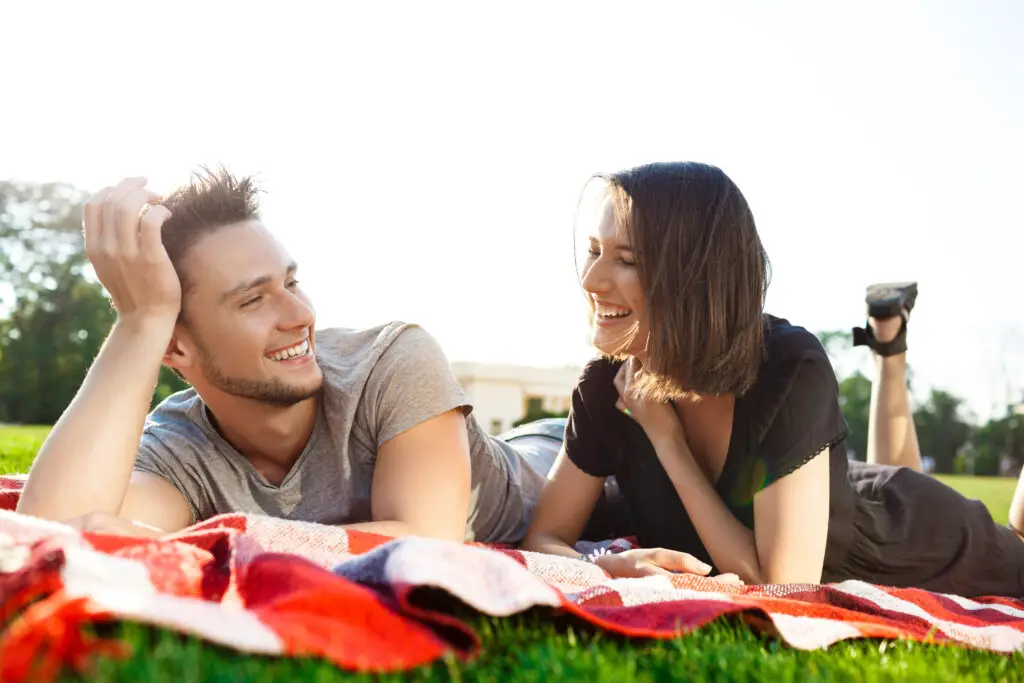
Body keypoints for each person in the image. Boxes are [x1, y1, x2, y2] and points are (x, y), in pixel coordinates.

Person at [14, 169, 628, 546]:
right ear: (176, 346)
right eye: (254, 298)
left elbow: (425, 543)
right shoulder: (180, 445)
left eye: (290, 280)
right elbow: (61, 530)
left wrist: (224, 538)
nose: (299, 313)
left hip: (571, 468)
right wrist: (139, 320)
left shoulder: (393, 358)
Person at [521, 161, 1024, 598]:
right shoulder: (606, 385)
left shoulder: (787, 367)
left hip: (913, 537)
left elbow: (780, 584)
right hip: (830, 493)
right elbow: (542, 540)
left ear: (696, 277)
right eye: (593, 250)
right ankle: (887, 348)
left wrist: (667, 440)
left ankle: (888, 352)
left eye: (626, 259)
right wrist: (600, 565)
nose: (590, 280)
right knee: (884, 476)